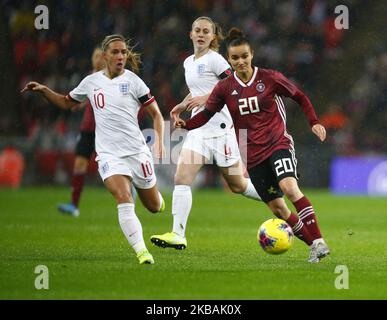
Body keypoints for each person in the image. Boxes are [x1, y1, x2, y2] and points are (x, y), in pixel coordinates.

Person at [172, 27, 330, 263]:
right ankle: (312, 246)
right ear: (230, 59)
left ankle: (319, 240)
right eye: (235, 58)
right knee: (279, 209)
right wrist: (186, 125)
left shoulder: (269, 78)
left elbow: (299, 96)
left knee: (289, 188)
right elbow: (206, 114)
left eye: (244, 56)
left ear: (251, 54)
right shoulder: (224, 88)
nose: (241, 61)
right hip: (253, 155)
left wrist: (314, 122)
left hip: (278, 143)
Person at [22, 34, 166, 265]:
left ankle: (156, 199)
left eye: (123, 52)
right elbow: (66, 103)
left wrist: (159, 142)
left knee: (154, 206)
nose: (120, 56)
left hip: (137, 153)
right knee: (123, 196)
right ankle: (142, 252)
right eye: (115, 52)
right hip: (109, 155)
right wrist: (44, 90)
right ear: (104, 56)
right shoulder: (91, 82)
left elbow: (156, 114)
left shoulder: (135, 82)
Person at [150, 17, 262, 250]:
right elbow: (197, 92)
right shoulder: (188, 62)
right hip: (199, 129)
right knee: (181, 178)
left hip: (221, 131)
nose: (201, 34)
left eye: (206, 31)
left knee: (239, 186)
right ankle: (178, 234)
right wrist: (183, 105)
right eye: (197, 30)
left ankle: (276, 194)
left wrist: (205, 99)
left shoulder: (216, 60)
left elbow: (234, 85)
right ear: (190, 34)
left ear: (213, 37)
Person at [57, 47, 105, 217]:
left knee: (115, 167)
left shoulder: (108, 77)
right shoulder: (89, 78)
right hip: (87, 129)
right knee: (79, 164)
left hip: (104, 131)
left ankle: (131, 190)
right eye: (95, 56)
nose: (98, 59)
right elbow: (80, 99)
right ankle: (74, 205)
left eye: (101, 56)